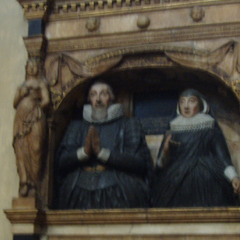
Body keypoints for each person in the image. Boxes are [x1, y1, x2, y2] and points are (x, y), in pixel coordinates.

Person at [56, 81, 152, 209]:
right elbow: (61, 161)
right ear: (89, 99)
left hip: (118, 188)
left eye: (103, 94)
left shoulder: (128, 124)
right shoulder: (76, 126)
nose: (98, 99)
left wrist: (102, 153)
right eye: (94, 95)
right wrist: (84, 152)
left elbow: (139, 163)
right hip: (79, 190)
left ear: (111, 99)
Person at [152, 89, 240, 207]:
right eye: (182, 102)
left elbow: (223, 157)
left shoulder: (209, 128)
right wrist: (165, 153)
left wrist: (234, 177)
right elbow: (160, 166)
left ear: (201, 104)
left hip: (206, 176)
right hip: (177, 176)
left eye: (191, 101)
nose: (186, 106)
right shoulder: (173, 129)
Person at [13, 58, 50, 197]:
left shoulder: (41, 83)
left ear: (38, 68)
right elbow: (14, 103)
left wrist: (36, 107)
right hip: (21, 118)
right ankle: (25, 182)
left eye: (35, 65)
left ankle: (35, 183)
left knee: (36, 148)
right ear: (26, 67)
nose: (32, 68)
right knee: (21, 148)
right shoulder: (22, 85)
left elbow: (46, 101)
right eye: (30, 65)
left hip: (36, 117)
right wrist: (21, 94)